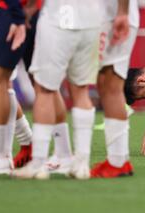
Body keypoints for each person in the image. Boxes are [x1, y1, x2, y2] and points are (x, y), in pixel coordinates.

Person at [13, 0, 129, 180]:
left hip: (58, 18)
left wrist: (26, 11)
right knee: (81, 90)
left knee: (45, 90)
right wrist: (123, 12)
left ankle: (38, 164)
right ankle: (81, 164)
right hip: (92, 21)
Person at [91, 0, 139, 178]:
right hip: (112, 15)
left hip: (114, 16)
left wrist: (122, 12)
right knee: (106, 83)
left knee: (111, 85)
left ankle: (117, 162)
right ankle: (119, 160)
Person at [0, 0, 26, 174]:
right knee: (2, 81)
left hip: (5, 10)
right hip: (6, 11)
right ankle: (25, 143)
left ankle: (0, 156)